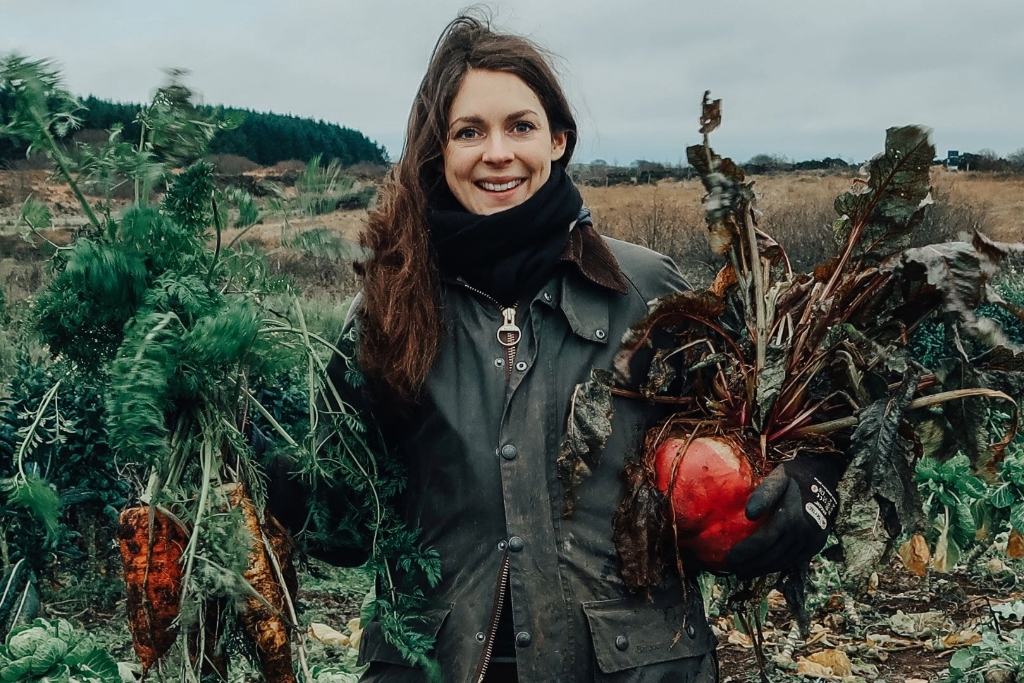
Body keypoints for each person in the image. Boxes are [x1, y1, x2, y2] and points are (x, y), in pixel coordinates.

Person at [270, 12, 841, 683]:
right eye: (468, 131)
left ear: (558, 139)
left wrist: (811, 489)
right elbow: (342, 527)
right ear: (438, 152)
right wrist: (274, 462)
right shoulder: (388, 308)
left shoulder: (650, 290)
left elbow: (789, 409)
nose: (498, 152)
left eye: (520, 125)